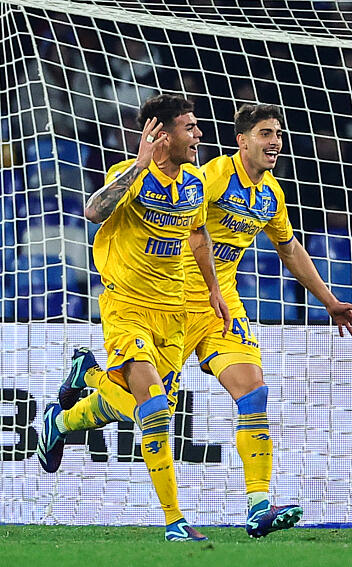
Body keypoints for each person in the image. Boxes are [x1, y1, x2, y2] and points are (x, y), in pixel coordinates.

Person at [41, 104, 352, 539]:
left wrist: (328, 301)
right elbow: (150, 220)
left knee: (253, 391)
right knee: (146, 407)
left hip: (219, 307)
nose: (275, 142)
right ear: (243, 141)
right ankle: (73, 404)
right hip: (168, 302)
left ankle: (259, 506)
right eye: (266, 133)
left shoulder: (270, 194)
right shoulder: (211, 176)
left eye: (278, 134)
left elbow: (287, 248)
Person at [37, 94, 230, 541]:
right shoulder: (128, 175)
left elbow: (198, 235)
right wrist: (141, 163)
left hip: (175, 312)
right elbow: (93, 212)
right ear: (162, 135)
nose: (198, 134)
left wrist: (214, 290)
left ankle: (63, 416)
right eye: (189, 127)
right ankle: (175, 522)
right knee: (155, 411)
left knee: (132, 405)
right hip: (127, 307)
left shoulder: (195, 182)